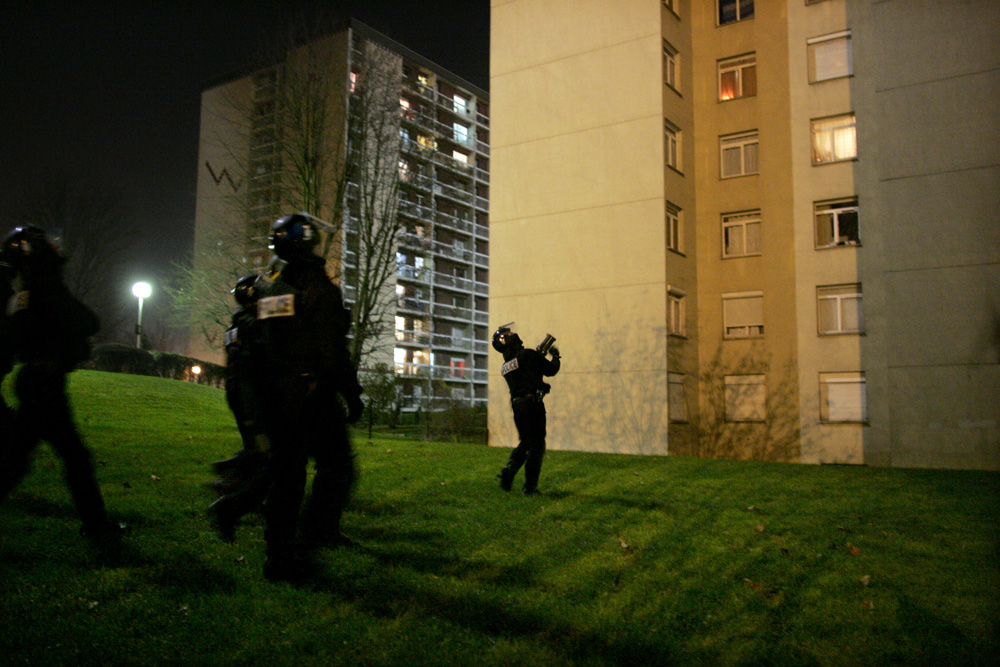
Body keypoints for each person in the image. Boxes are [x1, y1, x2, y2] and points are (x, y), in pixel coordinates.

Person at [253, 213, 364, 581]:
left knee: (287, 475)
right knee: (337, 466)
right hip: (312, 395)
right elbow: (330, 348)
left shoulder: (269, 287)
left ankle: (279, 554)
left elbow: (262, 343)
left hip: (275, 393)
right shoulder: (317, 287)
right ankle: (315, 534)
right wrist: (352, 393)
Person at [0, 225, 127, 541]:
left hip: (36, 380)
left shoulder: (24, 293)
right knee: (69, 458)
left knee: (24, 459)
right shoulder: (46, 286)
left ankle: (97, 525)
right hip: (45, 384)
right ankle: (97, 526)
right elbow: (87, 320)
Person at [207, 274, 270, 541]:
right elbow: (257, 363)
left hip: (241, 394)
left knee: (257, 448)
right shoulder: (253, 325)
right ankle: (232, 480)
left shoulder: (237, 323)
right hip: (251, 397)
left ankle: (235, 478)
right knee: (264, 450)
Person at [493, 323, 561, 495]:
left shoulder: (506, 366)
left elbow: (526, 376)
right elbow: (551, 370)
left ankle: (509, 470)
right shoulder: (527, 354)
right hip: (532, 404)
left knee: (526, 442)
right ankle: (530, 488)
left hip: (517, 406)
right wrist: (555, 357)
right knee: (537, 445)